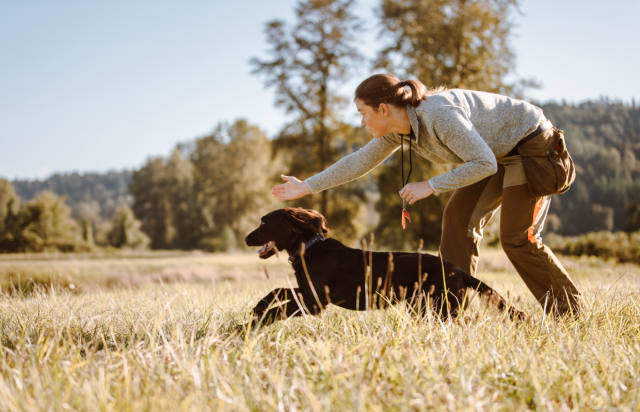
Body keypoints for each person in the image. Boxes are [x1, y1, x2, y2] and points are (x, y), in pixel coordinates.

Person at [271, 74, 581, 315]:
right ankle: (447, 311)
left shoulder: (438, 115)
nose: (362, 121)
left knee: (516, 237)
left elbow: (483, 162)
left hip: (530, 146)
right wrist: (306, 186)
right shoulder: (396, 127)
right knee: (458, 220)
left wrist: (431, 185)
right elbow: (359, 161)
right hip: (491, 154)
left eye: (363, 113)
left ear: (383, 108)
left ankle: (570, 313)